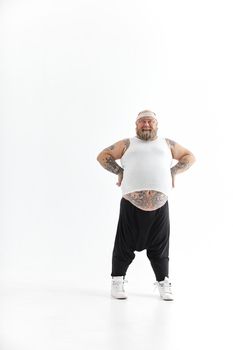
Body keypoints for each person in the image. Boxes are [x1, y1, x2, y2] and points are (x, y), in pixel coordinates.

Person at [96, 110, 196, 301]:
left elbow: (189, 156)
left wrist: (173, 171)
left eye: (150, 121)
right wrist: (118, 171)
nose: (146, 124)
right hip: (131, 205)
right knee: (123, 245)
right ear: (136, 125)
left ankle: (163, 283)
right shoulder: (127, 144)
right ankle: (117, 280)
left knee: (161, 248)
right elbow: (103, 156)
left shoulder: (167, 144)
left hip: (160, 207)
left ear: (156, 124)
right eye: (142, 121)